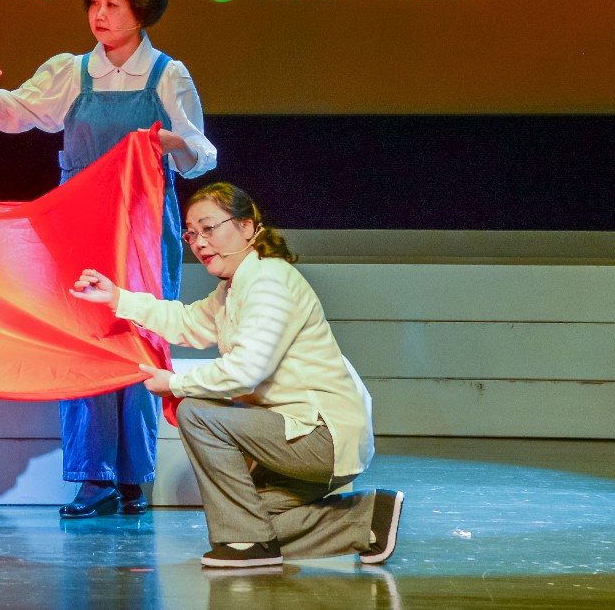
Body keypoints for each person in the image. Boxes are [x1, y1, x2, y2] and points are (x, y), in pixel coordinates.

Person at [0, 0, 215, 519]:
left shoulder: (168, 75)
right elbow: (15, 113)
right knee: (85, 340)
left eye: (112, 5)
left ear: (141, 12)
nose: (99, 15)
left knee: (140, 337)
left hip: (143, 226)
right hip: (80, 223)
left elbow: (203, 153)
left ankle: (133, 476)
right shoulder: (70, 71)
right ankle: (91, 476)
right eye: (94, 3)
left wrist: (170, 144)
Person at [71, 183, 403, 568]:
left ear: (247, 227)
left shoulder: (269, 281)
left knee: (196, 412)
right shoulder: (234, 288)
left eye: (209, 228)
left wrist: (174, 384)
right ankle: (368, 520)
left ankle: (244, 543)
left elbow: (246, 371)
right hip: (294, 434)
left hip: (318, 435)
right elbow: (186, 322)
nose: (199, 242)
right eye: (191, 234)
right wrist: (117, 298)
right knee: (256, 517)